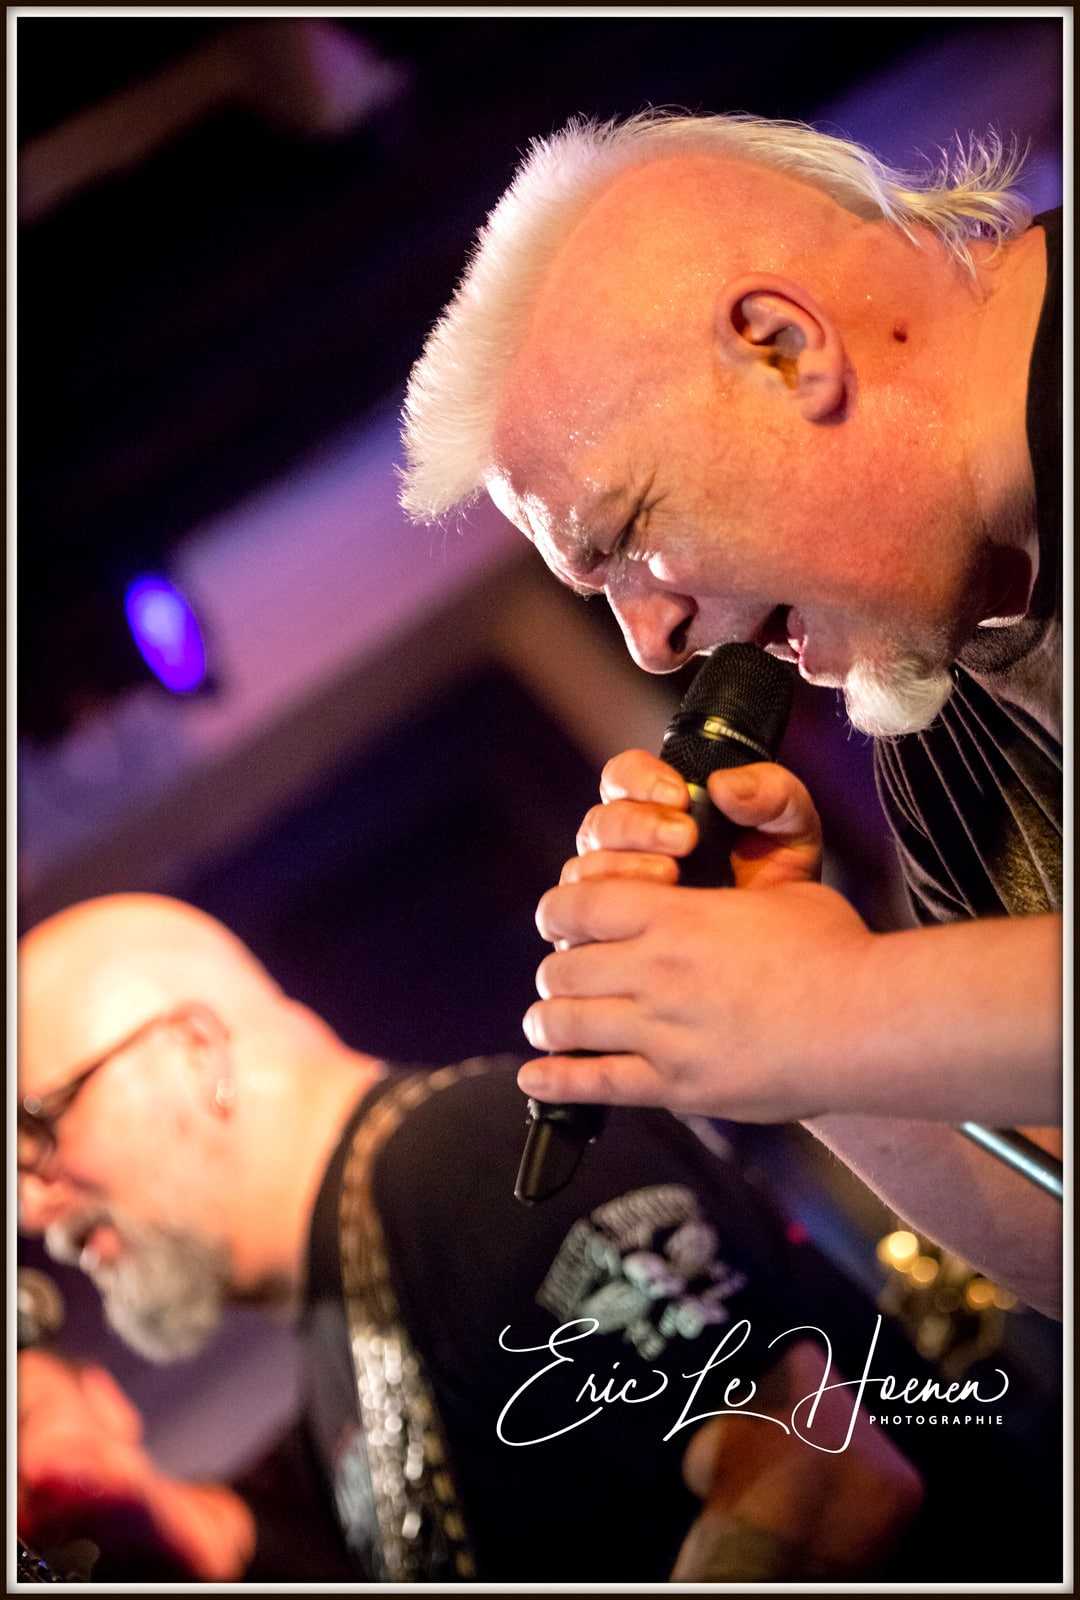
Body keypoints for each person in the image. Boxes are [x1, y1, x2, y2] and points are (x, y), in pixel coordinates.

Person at [398, 112, 1063, 1317]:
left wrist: (840, 1007)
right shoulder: (949, 738)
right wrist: (783, 1046)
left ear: (781, 349)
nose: (652, 639)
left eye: (627, 538)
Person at [17, 892, 931, 1583]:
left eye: (39, 1129)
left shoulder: (472, 1164)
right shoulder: (342, 1327)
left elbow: (825, 1477)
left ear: (195, 1051)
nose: (30, 1208)